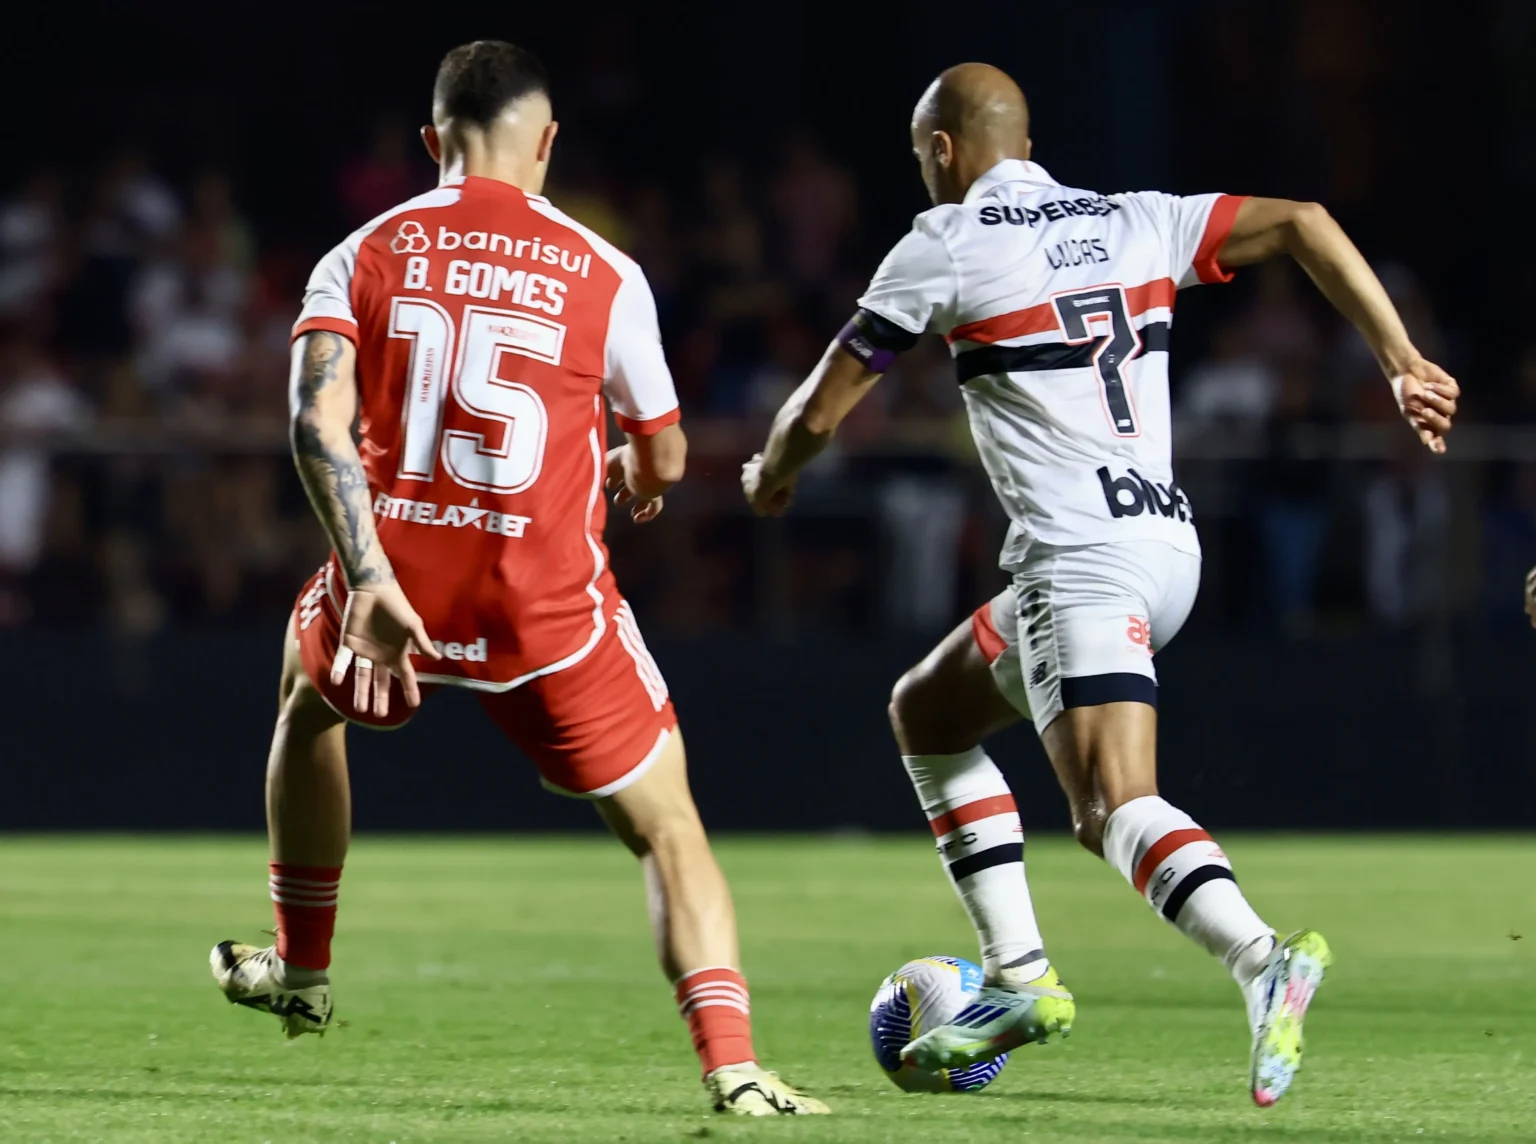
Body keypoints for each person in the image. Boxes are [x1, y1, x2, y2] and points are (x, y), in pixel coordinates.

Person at [743, 63, 1458, 1107]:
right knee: (928, 710)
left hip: (1077, 559)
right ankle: (1018, 980)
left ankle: (1264, 960)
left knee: (1111, 804)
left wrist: (772, 472)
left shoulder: (943, 243)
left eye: (920, 157)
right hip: (1166, 545)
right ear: (1025, 144)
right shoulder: (1137, 221)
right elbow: (1304, 219)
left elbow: (822, 405)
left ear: (942, 152)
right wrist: (1400, 356)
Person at [210, 40, 827, 1118]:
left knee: (307, 703)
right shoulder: (605, 268)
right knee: (668, 826)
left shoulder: (359, 251)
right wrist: (638, 467)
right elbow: (667, 452)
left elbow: (316, 422)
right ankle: (732, 1066)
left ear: (429, 142)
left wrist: (366, 577)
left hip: (393, 588)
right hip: (545, 611)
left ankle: (301, 969)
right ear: (546, 143)